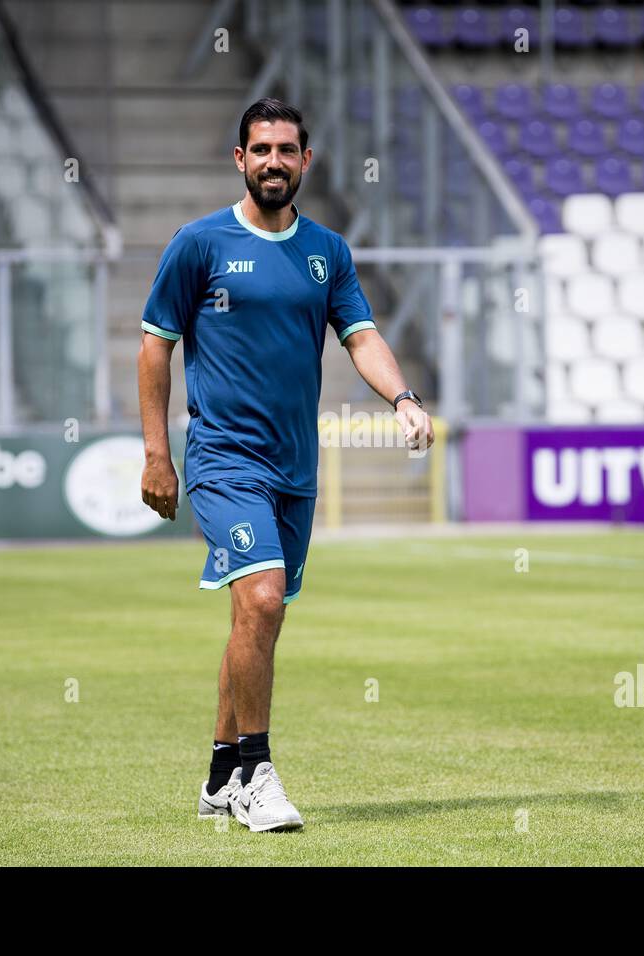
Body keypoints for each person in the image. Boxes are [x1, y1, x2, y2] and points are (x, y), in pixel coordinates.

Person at [137, 98, 434, 832]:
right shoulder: (198, 244)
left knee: (256, 617)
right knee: (263, 599)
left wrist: (403, 398)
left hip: (296, 467)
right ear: (239, 159)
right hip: (223, 459)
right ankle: (256, 772)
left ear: (306, 161)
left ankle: (216, 774)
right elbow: (154, 345)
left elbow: (361, 337)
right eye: (261, 149)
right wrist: (157, 454)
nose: (274, 161)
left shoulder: (326, 252)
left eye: (287, 150)